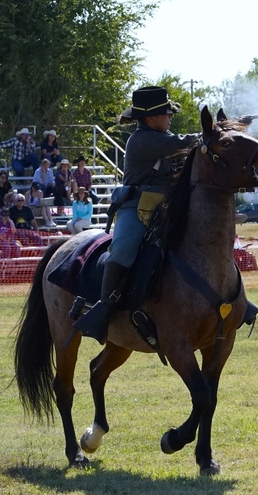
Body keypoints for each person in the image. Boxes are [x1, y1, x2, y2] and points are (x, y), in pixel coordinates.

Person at [73, 86, 199, 343]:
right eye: (166, 113)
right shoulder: (143, 140)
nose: (170, 117)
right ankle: (105, 306)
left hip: (167, 206)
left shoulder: (160, 137)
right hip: (137, 207)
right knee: (122, 250)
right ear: (151, 118)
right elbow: (183, 143)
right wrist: (211, 134)